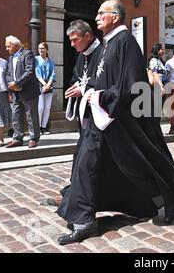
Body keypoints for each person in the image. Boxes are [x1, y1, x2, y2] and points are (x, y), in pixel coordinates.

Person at [56, 0, 174, 245]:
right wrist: (87, 89)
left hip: (117, 118)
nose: (97, 17)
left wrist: (98, 96)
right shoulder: (108, 44)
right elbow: (100, 79)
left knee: (133, 163)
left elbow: (132, 85)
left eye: (102, 13)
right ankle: (87, 215)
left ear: (115, 16)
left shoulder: (126, 42)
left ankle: (161, 198)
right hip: (101, 117)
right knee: (92, 165)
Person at [44, 19, 104, 208]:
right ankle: (76, 195)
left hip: (100, 117)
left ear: (87, 36)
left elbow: (105, 82)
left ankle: (77, 199)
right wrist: (75, 87)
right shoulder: (81, 54)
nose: (72, 44)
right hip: (84, 117)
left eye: (75, 40)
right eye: (70, 40)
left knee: (86, 160)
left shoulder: (103, 54)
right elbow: (76, 77)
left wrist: (84, 88)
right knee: (82, 158)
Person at [4, 35, 41, 148]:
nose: (7, 48)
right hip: (15, 92)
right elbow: (7, 74)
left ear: (15, 45)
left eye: (8, 46)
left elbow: (29, 72)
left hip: (29, 91)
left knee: (31, 115)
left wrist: (18, 83)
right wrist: (12, 85)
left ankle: (33, 138)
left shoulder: (27, 54)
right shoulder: (10, 58)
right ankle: (17, 138)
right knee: (16, 115)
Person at [35, 42, 56, 135]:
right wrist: (44, 85)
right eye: (39, 48)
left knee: (47, 108)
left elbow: (53, 74)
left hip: (49, 84)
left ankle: (44, 127)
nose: (40, 50)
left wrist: (48, 85)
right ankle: (38, 127)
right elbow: (37, 73)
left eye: (43, 48)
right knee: (40, 107)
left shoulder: (51, 61)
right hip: (39, 85)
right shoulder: (36, 60)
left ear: (46, 50)